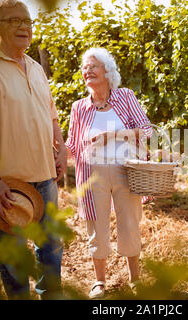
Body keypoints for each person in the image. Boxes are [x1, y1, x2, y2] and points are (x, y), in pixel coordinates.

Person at [0, 0, 67, 299]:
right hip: (10, 184)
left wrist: (60, 148)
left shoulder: (35, 67)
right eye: (14, 21)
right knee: (13, 259)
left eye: (28, 21)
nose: (24, 27)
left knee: (51, 250)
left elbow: (51, 114)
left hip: (46, 178)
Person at [65, 47, 152, 299]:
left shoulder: (125, 97)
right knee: (96, 228)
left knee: (129, 225)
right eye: (84, 68)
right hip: (92, 175)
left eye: (93, 66)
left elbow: (146, 130)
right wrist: (55, 151)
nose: (87, 71)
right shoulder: (78, 107)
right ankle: (99, 282)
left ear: (107, 71)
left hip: (127, 172)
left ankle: (135, 279)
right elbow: (72, 144)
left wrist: (112, 136)